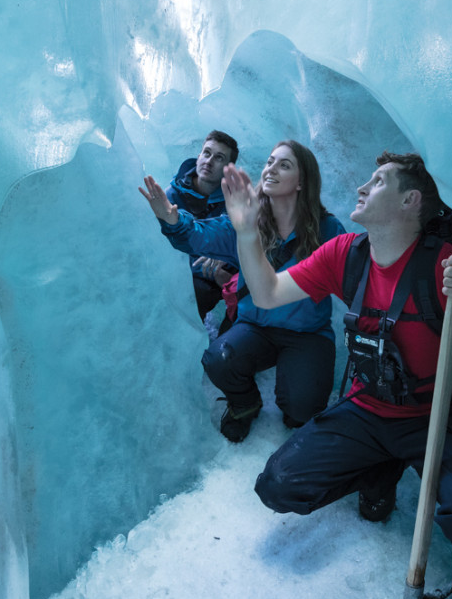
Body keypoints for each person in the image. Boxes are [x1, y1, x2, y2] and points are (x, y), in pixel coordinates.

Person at [220, 152, 452, 599]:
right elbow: (267, 294)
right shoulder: (346, 254)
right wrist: (247, 233)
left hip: (438, 420)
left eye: (378, 181)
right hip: (365, 412)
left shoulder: (448, 269)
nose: (361, 188)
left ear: (411, 201)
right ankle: (379, 472)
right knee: (278, 485)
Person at [138, 140, 346, 441]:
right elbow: (199, 235)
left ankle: (296, 403)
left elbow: (355, 271)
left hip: (307, 333)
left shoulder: (327, 230)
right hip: (257, 327)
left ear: (302, 182)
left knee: (302, 410)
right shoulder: (246, 222)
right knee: (219, 359)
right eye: (270, 162)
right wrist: (171, 218)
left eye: (284, 165)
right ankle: (245, 403)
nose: (271, 168)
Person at [163, 130, 240, 319]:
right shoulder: (172, 197)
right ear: (198, 157)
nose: (209, 161)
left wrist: (225, 256)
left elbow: (250, 238)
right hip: (191, 277)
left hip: (229, 274)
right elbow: (167, 251)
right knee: (193, 294)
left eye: (219, 157)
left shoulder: (234, 198)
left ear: (228, 168)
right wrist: (215, 273)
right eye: (206, 153)